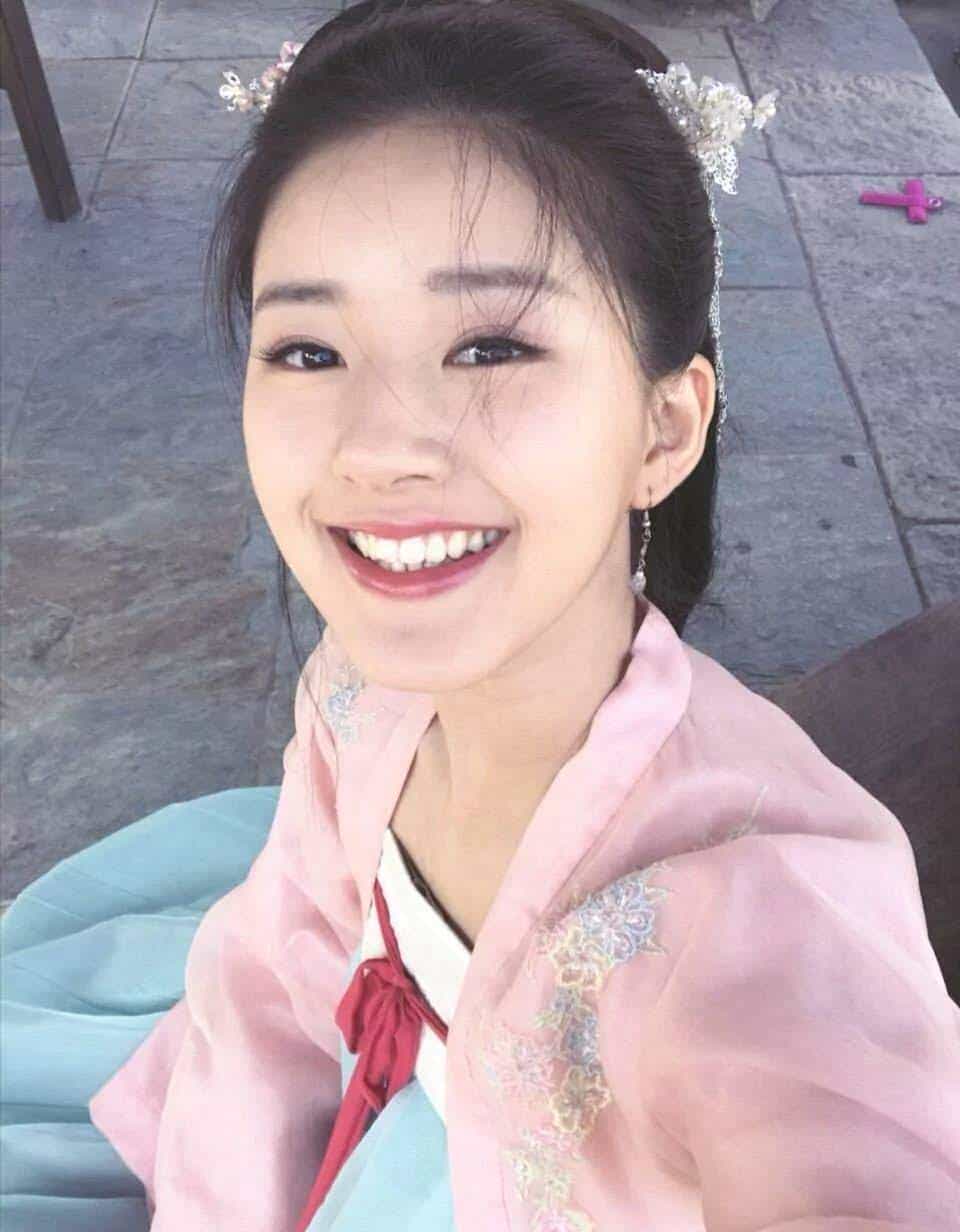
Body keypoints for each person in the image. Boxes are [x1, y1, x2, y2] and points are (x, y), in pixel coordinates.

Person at [3, 1, 959, 1229]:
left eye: (493, 347)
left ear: (664, 426)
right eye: (308, 351)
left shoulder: (769, 925)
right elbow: (271, 983)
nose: (379, 447)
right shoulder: (359, 691)